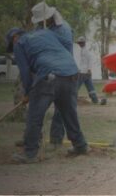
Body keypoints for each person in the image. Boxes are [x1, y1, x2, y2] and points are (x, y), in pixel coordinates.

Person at [7, 27, 89, 163]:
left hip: (49, 76)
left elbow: (25, 71)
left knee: (34, 116)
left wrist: (28, 92)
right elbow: (68, 43)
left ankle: (29, 154)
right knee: (69, 113)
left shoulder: (19, 43)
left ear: (14, 38)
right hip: (71, 72)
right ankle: (80, 146)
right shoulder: (46, 32)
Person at [30, 1, 76, 148]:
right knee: (37, 107)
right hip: (46, 72)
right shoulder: (41, 27)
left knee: (62, 110)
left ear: (49, 17)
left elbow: (58, 49)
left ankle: (56, 140)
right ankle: (33, 138)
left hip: (64, 73)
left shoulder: (64, 29)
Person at [75, 36, 99, 104]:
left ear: (83, 43)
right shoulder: (83, 50)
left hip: (84, 72)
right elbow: (83, 62)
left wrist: (89, 69)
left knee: (76, 86)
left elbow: (90, 60)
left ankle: (72, 99)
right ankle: (95, 100)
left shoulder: (86, 50)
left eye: (80, 43)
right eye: (79, 43)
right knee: (90, 86)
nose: (79, 44)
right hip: (84, 72)